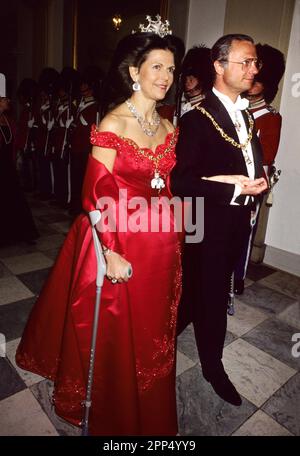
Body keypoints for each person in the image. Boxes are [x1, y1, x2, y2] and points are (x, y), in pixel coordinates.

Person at [16, 17, 183, 436]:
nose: (166, 76)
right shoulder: (112, 125)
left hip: (159, 245)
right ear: (134, 72)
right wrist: (110, 251)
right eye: (157, 67)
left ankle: (146, 395)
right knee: (111, 327)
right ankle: (111, 399)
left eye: (171, 69)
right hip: (115, 237)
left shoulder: (168, 124)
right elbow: (95, 195)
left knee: (151, 329)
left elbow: (167, 186)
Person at [171, 34, 268, 406]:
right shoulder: (196, 119)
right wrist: (230, 188)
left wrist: (256, 179)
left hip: (236, 221)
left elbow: (242, 161)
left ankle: (164, 336)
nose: (253, 69)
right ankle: (213, 367)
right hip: (205, 223)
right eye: (245, 62)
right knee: (211, 296)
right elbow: (181, 183)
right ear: (219, 66)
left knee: (200, 291)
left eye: (255, 62)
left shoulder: (244, 114)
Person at [234, 43, 285, 294]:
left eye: (258, 80)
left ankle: (237, 278)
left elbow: (267, 156)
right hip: (230, 179)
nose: (252, 83)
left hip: (253, 182)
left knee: (244, 233)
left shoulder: (271, 117)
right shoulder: (236, 108)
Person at [0, 87, 39, 245]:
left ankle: (20, 234)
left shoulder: (7, 119)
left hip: (7, 166)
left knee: (14, 198)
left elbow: (15, 140)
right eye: (4, 99)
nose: (8, 101)